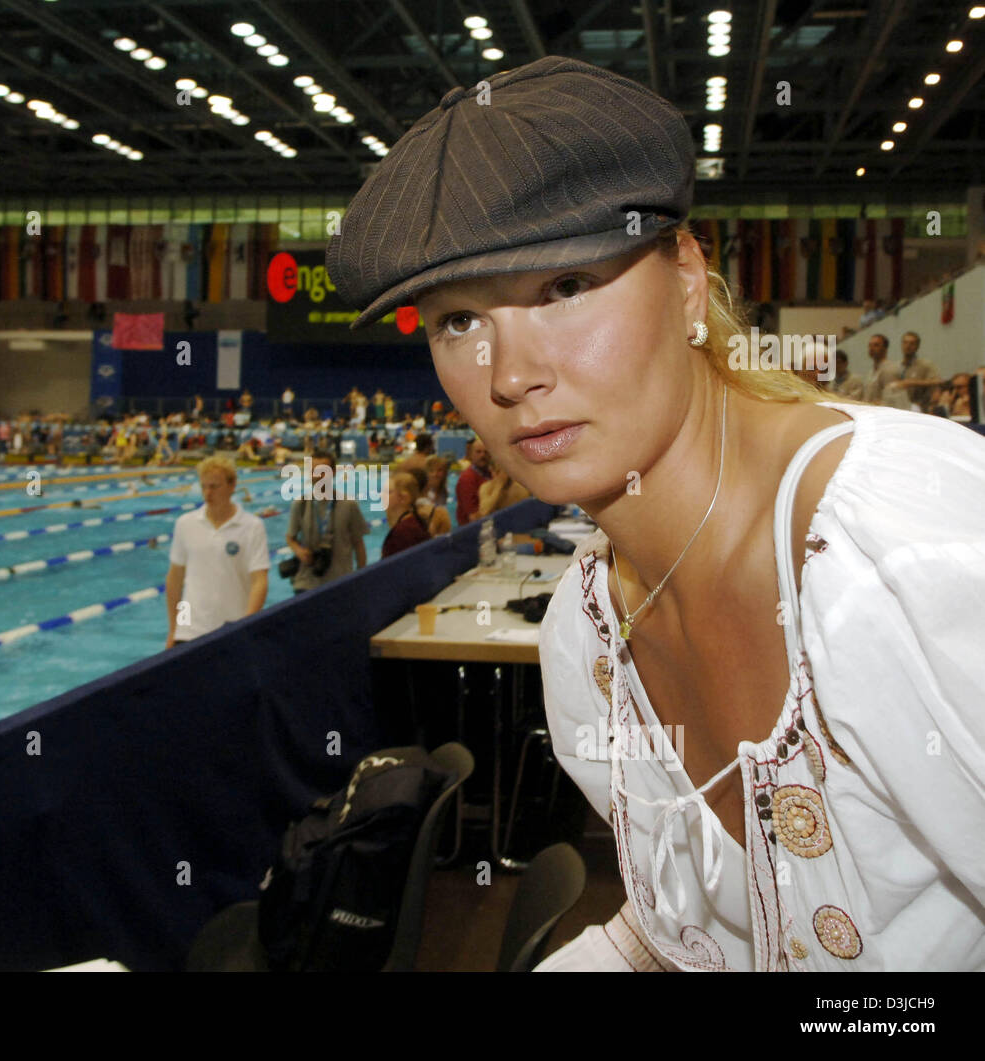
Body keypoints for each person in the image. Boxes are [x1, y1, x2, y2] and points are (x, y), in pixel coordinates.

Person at [327, 54, 985, 971]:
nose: (511, 375)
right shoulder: (586, 644)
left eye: (563, 288)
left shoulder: (903, 552)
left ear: (685, 278)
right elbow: (691, 931)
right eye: (459, 321)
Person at [165, 456, 268, 647]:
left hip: (232, 629)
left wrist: (247, 625)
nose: (207, 493)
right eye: (204, 487)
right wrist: (175, 628)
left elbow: (259, 581)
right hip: (189, 631)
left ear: (232, 486)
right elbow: (175, 580)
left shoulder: (252, 526)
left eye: (214, 486)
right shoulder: (185, 523)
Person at [284, 450, 370, 593]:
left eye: (322, 471)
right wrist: (299, 550)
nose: (317, 476)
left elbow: (359, 544)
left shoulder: (349, 504)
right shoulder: (300, 504)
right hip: (306, 583)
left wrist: (361, 577)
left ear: (334, 472)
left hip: (340, 582)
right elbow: (290, 537)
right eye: (313, 471)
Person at [381, 472, 433, 558]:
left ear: (404, 498)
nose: (381, 495)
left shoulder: (403, 532)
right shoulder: (414, 521)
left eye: (388, 492)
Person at [884, 331, 940, 412]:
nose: (908, 346)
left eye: (912, 343)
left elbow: (937, 381)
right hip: (898, 407)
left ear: (917, 346)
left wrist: (910, 382)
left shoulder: (925, 365)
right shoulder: (896, 366)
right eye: (905, 343)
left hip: (919, 407)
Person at [454, 437, 491, 525]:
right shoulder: (467, 479)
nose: (482, 455)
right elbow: (473, 517)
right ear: (470, 455)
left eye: (486, 452)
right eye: (478, 452)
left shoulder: (490, 474)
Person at [863, 333, 902, 406]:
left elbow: (891, 400)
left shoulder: (890, 369)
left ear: (885, 348)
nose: (871, 348)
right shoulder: (871, 372)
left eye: (876, 345)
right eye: (870, 345)